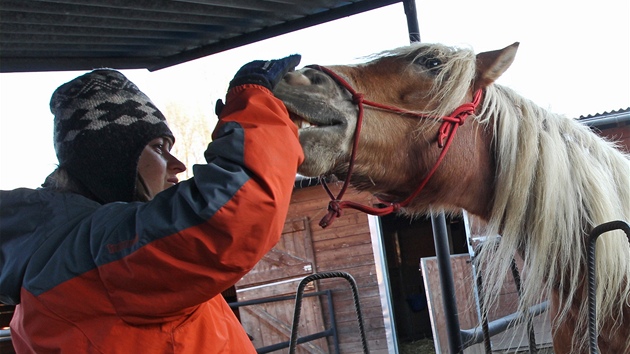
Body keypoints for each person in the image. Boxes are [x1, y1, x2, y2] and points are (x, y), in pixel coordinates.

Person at [0, 55, 304, 353]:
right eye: (159, 148)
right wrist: (254, 98)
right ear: (112, 160)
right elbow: (233, 213)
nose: (178, 164)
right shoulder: (100, 254)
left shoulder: (44, 270)